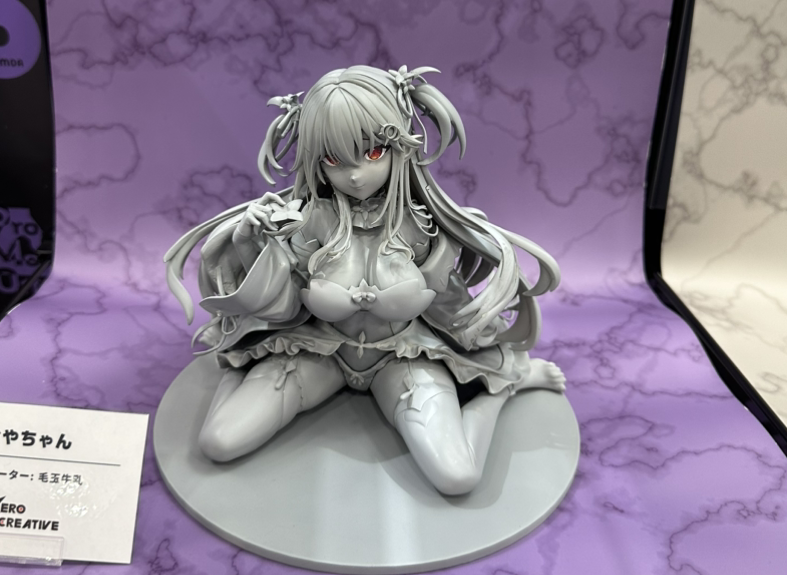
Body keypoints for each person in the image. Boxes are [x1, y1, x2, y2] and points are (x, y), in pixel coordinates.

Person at [165, 65, 565, 495]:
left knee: (458, 476)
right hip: (319, 353)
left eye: (372, 153)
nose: (354, 175)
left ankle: (505, 390)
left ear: (400, 147)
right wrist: (251, 245)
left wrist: (495, 363)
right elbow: (284, 304)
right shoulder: (311, 220)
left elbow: (448, 303)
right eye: (334, 160)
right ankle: (235, 365)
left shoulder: (421, 227)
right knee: (218, 442)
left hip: (402, 360)